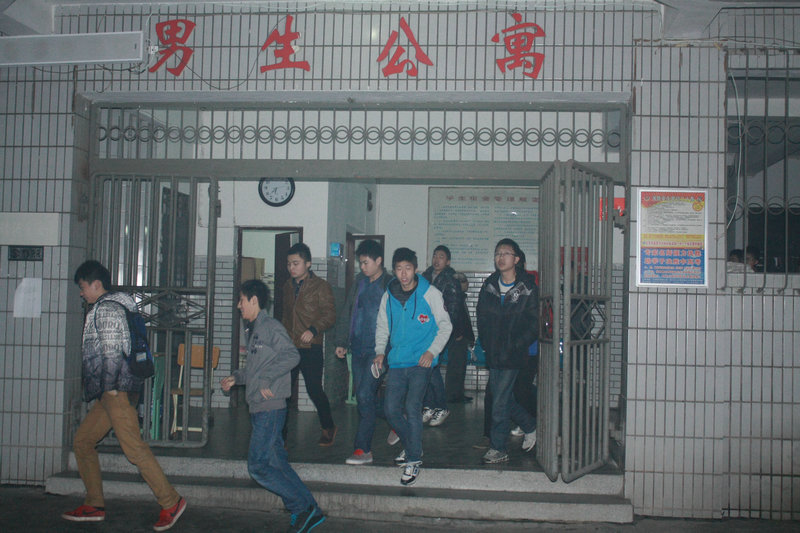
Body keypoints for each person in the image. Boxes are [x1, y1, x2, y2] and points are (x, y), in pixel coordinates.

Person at [63, 260, 187, 531]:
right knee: (83, 442)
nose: (81, 293)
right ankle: (94, 504)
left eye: (83, 287)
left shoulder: (106, 309)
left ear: (96, 284)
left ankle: (171, 501)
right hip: (114, 391)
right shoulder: (118, 305)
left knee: (134, 449)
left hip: (115, 391)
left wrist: (108, 388)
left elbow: (110, 353)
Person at [222, 280, 325, 533]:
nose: (238, 306)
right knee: (278, 464)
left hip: (270, 407)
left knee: (258, 466)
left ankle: (301, 507)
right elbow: (257, 370)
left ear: (254, 300)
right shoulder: (254, 330)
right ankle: (311, 509)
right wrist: (237, 378)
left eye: (241, 300)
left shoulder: (270, 327)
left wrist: (267, 379)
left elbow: (292, 355)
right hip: (260, 407)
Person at [374, 248, 452, 485]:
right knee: (390, 409)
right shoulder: (388, 296)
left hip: (421, 361)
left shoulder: (430, 293)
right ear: (394, 270)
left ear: (416, 269)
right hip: (397, 361)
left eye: (408, 268)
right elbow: (382, 326)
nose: (404, 274)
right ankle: (412, 446)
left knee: (412, 406)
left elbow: (445, 326)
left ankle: (414, 459)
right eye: (399, 269)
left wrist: (432, 351)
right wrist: (380, 352)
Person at [476, 239, 538, 464]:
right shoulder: (489, 286)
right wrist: (486, 342)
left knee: (500, 402)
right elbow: (481, 316)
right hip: (494, 353)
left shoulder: (527, 288)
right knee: (502, 398)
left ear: (516, 259)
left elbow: (534, 323)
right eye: (497, 253)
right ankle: (530, 425)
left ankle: (498, 448)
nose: (500, 257)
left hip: (514, 353)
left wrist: (516, 344)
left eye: (506, 253)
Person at [333, 240, 392, 465]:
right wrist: (342, 341)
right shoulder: (359, 282)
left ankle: (362, 449)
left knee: (366, 395)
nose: (363, 267)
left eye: (366, 262)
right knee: (363, 398)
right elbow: (348, 311)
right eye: (361, 263)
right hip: (357, 349)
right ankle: (396, 416)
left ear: (379, 261)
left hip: (379, 351)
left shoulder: (389, 284)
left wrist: (389, 350)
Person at [281, 243, 337, 446]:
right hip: (289, 347)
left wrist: (313, 330)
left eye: (296, 263)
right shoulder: (287, 286)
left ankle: (328, 427)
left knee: (314, 389)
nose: (291, 267)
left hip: (310, 347)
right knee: (284, 391)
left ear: (308, 263)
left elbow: (330, 315)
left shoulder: (321, 286)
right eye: (289, 264)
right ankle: (281, 433)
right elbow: (285, 316)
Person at [420, 245, 465, 426]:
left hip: (438, 330)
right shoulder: (424, 278)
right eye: (435, 255)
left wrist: (444, 331)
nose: (436, 259)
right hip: (423, 329)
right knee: (428, 368)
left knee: (431, 367)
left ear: (448, 261)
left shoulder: (451, 281)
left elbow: (453, 309)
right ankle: (430, 406)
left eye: (441, 256)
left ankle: (440, 406)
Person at [447, 271, 475, 403]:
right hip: (458, 337)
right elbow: (456, 317)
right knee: (456, 367)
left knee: (459, 367)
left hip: (461, 336)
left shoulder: (459, 297)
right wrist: (458, 333)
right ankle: (453, 395)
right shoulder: (455, 297)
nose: (467, 284)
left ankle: (458, 393)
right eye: (464, 281)